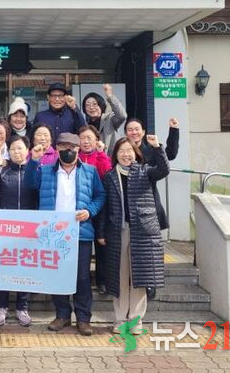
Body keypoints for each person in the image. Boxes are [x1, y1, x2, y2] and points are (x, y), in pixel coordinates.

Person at [23, 133, 106, 336]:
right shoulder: (45, 170)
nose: (68, 150)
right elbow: (30, 183)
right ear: (57, 149)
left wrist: (90, 211)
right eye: (63, 147)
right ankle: (62, 315)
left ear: (78, 149)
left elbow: (100, 195)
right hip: (54, 232)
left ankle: (83, 318)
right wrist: (33, 160)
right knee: (57, 275)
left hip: (81, 231)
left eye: (72, 147)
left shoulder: (90, 171)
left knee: (82, 277)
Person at [98, 136, 169, 334]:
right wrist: (101, 232)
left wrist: (157, 148)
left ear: (135, 153)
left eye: (129, 150)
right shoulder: (110, 176)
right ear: (116, 155)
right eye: (121, 151)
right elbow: (105, 207)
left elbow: (164, 170)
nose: (126, 154)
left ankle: (136, 320)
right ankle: (120, 319)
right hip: (117, 231)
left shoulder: (144, 171)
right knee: (119, 277)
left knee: (140, 276)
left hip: (143, 231)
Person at [0, 135, 38, 326]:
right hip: (5, 230)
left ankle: (22, 307)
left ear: (27, 150)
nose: (16, 152)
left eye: (20, 148)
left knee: (25, 268)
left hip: (29, 229)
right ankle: (2, 307)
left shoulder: (35, 170)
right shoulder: (4, 171)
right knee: (4, 267)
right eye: (13, 148)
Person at [124, 117, 179, 299]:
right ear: (125, 133)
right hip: (127, 205)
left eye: (137, 129)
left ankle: (150, 283)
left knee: (149, 248)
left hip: (147, 204)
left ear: (143, 131)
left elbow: (170, 155)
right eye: (130, 129)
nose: (134, 132)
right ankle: (131, 280)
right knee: (129, 247)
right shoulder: (122, 149)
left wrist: (173, 131)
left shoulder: (150, 148)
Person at [77, 125, 113, 296]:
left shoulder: (101, 156)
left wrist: (101, 153)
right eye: (82, 138)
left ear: (96, 140)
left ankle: (102, 280)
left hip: (99, 206)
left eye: (89, 138)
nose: (85, 141)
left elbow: (107, 172)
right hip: (80, 206)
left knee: (101, 244)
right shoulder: (74, 156)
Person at [80, 84, 127, 156]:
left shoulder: (109, 120)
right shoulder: (85, 125)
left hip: (110, 159)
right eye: (88, 105)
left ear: (101, 105)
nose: (91, 107)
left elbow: (122, 116)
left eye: (95, 104)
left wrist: (110, 96)